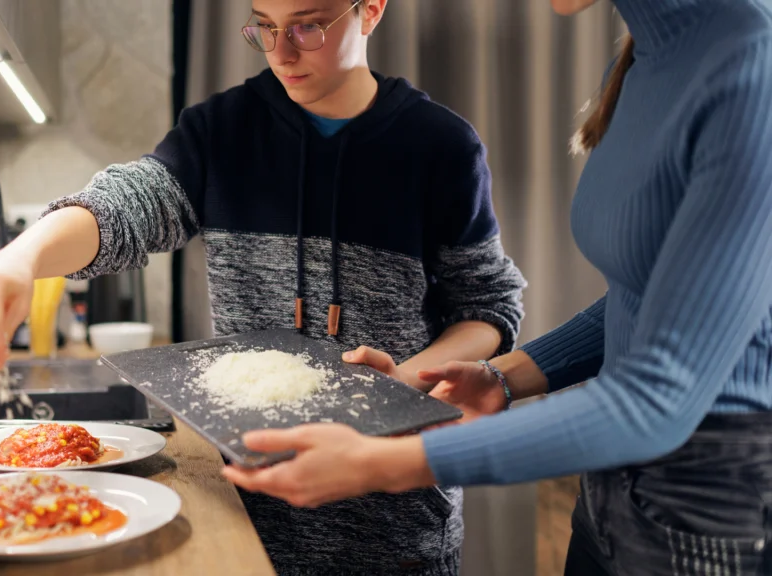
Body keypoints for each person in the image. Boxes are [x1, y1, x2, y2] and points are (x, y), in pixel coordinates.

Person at [0, 1, 527, 573]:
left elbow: (488, 306)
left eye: (307, 25)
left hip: (397, 525)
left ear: (370, 10)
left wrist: (403, 381)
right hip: (248, 518)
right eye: (265, 27)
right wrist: (21, 257)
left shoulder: (442, 147)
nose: (282, 53)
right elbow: (128, 205)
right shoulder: (221, 130)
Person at [223, 0, 772, 574]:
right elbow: (650, 296)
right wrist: (502, 378)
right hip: (614, 491)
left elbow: (661, 400)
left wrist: (382, 463)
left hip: (711, 512)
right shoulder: (645, 53)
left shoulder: (750, 66)